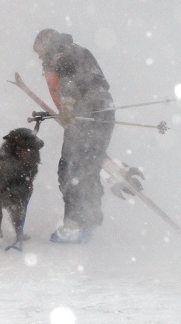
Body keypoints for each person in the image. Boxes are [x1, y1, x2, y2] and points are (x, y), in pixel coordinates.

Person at [33, 28, 115, 244]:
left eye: (39, 51)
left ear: (47, 42)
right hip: (104, 110)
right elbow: (94, 81)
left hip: (86, 113)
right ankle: (91, 221)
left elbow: (70, 78)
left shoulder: (63, 54)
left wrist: (68, 106)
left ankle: (74, 225)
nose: (39, 57)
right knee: (88, 167)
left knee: (70, 169)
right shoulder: (78, 51)